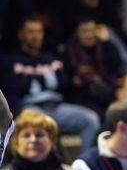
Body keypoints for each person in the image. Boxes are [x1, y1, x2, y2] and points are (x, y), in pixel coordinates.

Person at [0, 15, 101, 150]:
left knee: (90, 119)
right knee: (42, 124)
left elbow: (65, 85)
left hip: (56, 106)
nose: (35, 36)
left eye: (39, 32)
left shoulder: (51, 59)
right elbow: (10, 93)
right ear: (21, 35)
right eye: (30, 32)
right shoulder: (10, 62)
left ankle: (82, 164)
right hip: (29, 107)